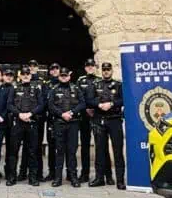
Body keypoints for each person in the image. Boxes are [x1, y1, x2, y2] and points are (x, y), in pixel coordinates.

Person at [87, 62, 126, 190]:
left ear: (112, 71)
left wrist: (112, 104)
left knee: (117, 151)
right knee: (100, 150)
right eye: (104, 70)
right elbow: (89, 100)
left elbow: (123, 99)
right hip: (99, 120)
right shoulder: (95, 85)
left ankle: (120, 180)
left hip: (114, 120)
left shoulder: (119, 85)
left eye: (108, 69)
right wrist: (99, 105)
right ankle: (99, 178)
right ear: (101, 71)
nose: (106, 72)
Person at [47, 67, 85, 188]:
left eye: (65, 75)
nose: (64, 77)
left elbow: (82, 103)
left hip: (73, 123)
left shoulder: (76, 88)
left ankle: (73, 177)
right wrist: (61, 114)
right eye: (61, 75)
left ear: (69, 76)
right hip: (59, 123)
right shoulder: (54, 89)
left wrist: (72, 112)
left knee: (72, 151)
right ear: (59, 77)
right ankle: (58, 178)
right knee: (60, 151)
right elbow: (50, 105)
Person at [6, 66, 44, 186]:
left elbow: (41, 104)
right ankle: (12, 177)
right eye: (23, 73)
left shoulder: (36, 88)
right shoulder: (14, 87)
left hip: (32, 123)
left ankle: (32, 178)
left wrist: (31, 114)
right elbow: (9, 105)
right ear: (20, 75)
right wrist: (19, 114)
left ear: (31, 75)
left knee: (32, 151)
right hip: (18, 123)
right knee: (14, 151)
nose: (26, 75)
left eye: (28, 73)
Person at [76, 58, 99, 183]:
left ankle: (104, 174)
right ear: (85, 68)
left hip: (97, 115)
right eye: (88, 65)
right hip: (84, 116)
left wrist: (93, 108)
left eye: (92, 65)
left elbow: (102, 97)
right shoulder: (81, 80)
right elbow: (78, 97)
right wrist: (86, 109)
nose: (90, 67)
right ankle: (84, 174)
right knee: (85, 146)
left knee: (101, 146)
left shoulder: (100, 81)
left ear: (96, 67)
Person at [42, 62, 61, 182]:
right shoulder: (46, 85)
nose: (54, 70)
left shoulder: (65, 82)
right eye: (52, 69)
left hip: (63, 120)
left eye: (56, 68)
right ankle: (51, 172)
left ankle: (67, 173)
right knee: (52, 146)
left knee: (64, 148)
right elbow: (44, 101)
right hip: (51, 120)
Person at [1, 67, 16, 179]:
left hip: (12, 122)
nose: (8, 77)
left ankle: (9, 171)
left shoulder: (16, 88)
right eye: (7, 75)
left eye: (11, 75)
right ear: (3, 76)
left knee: (11, 148)